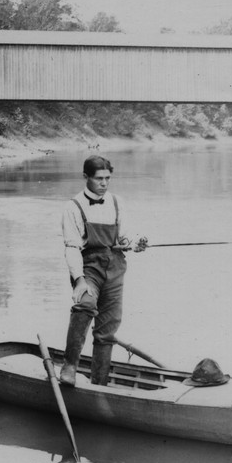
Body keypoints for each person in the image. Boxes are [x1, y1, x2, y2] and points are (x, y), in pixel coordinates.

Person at [60, 156, 146, 386]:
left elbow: (125, 236)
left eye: (108, 178)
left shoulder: (117, 202)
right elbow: (71, 247)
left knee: (108, 327)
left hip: (116, 267)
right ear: (85, 177)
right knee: (85, 304)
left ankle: (99, 383)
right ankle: (69, 365)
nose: (104, 183)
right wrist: (78, 280)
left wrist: (136, 242)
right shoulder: (73, 206)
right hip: (89, 267)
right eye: (99, 179)